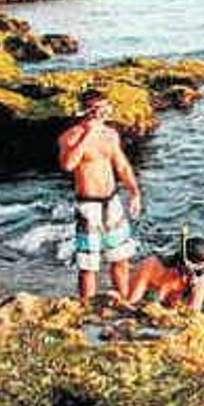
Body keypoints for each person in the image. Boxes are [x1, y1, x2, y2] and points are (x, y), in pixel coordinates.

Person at [57, 90, 142, 302]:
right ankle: (87, 307)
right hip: (88, 206)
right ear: (89, 111)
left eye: (107, 107)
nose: (106, 112)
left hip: (112, 202)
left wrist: (134, 192)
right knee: (88, 265)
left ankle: (124, 302)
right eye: (100, 108)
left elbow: (121, 165)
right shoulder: (71, 136)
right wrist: (89, 133)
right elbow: (68, 165)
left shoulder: (111, 135)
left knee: (121, 259)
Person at [125, 233, 204, 312]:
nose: (195, 278)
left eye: (200, 273)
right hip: (147, 297)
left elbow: (192, 314)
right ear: (181, 265)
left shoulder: (199, 281)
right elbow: (131, 302)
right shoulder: (151, 267)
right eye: (194, 272)